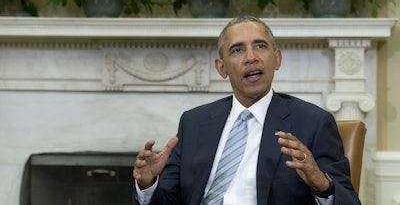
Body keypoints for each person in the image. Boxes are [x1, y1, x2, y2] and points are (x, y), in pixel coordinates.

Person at [132, 15, 361, 205]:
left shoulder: (313, 123)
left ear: (277, 59)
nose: (251, 57)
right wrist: (148, 185)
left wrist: (321, 183)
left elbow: (348, 200)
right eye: (237, 50)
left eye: (260, 46)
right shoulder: (194, 122)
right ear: (222, 68)